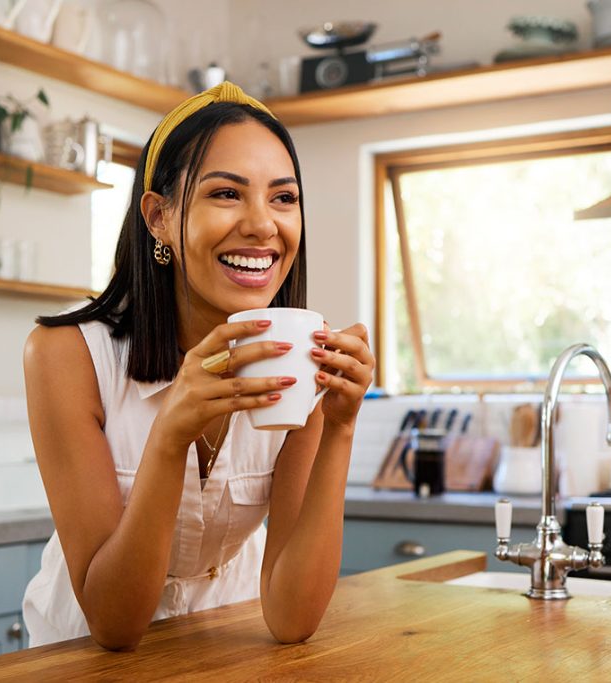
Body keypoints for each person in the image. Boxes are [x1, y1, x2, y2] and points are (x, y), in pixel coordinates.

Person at [21, 82, 375, 651]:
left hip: (222, 645)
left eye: (283, 198)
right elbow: (114, 625)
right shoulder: (66, 355)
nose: (264, 225)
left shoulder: (299, 360)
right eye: (227, 194)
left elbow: (292, 619)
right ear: (158, 217)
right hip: (79, 656)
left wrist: (339, 425)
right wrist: (170, 436)